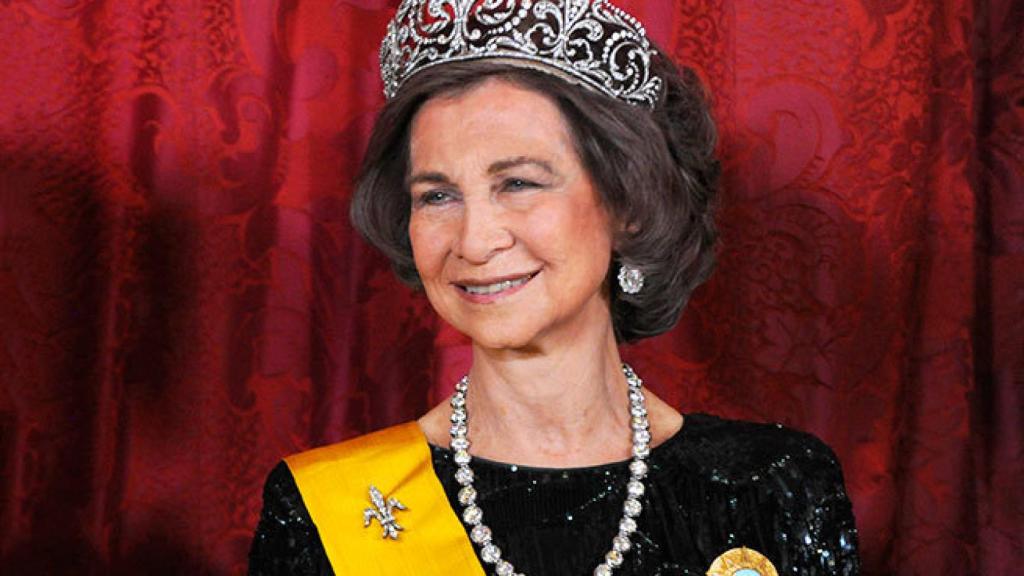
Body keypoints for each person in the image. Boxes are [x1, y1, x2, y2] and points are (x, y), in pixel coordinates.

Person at [249, 1, 860, 575]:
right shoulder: (327, 509)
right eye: (436, 196)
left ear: (629, 205)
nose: (474, 241)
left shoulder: (775, 488)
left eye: (518, 183)